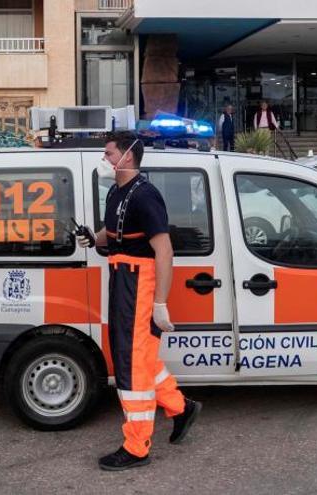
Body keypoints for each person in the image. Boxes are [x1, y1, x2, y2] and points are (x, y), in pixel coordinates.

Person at [76, 131, 202, 471]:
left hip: (140, 284)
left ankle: (137, 446)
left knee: (132, 366)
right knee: (139, 357)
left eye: (108, 152)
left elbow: (164, 250)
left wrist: (159, 302)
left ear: (127, 156)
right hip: (121, 279)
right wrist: (92, 237)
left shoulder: (146, 196)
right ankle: (181, 407)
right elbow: (112, 233)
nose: (104, 158)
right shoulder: (116, 192)